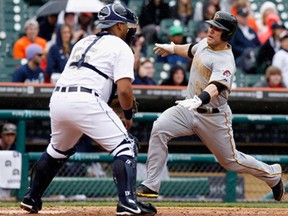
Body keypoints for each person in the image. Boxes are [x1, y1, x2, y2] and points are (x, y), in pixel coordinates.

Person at [19, 3, 157, 215]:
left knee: (56, 150)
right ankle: (128, 202)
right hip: (85, 99)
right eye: (128, 26)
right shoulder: (121, 47)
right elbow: (125, 91)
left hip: (59, 98)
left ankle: (31, 197)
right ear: (119, 26)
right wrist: (127, 113)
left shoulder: (82, 41)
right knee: (126, 145)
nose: (131, 30)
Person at [136, 11, 285, 202]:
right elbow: (191, 49)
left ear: (227, 34)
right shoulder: (206, 43)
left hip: (213, 115)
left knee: (231, 161)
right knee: (159, 128)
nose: (211, 30)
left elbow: (216, 86)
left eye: (217, 29)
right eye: (212, 26)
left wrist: (201, 99)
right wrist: (173, 48)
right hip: (187, 108)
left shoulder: (225, 60)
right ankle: (151, 185)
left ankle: (272, 174)